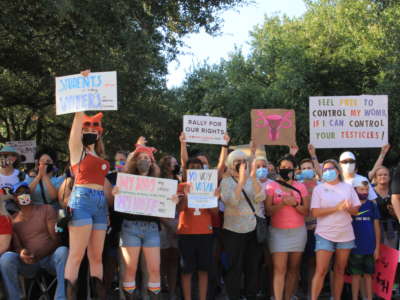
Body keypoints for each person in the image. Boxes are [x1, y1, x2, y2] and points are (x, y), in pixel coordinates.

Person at [114, 143, 178, 300]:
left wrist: (172, 201)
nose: (144, 160)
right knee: (130, 269)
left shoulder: (159, 182)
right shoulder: (126, 180)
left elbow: (165, 205)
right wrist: (116, 193)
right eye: (141, 158)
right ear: (135, 161)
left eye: (148, 158)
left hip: (152, 229)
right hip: (130, 227)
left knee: (154, 270)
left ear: (152, 162)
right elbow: (119, 204)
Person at [64, 110, 110, 299]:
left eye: (95, 127)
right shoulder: (77, 151)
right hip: (82, 200)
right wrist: (79, 109)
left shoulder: (99, 155)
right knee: (76, 255)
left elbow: (104, 183)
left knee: (97, 257)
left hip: (100, 203)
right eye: (87, 126)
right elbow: (76, 125)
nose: (91, 130)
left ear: (100, 133)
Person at [0, 182, 68, 300]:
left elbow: (56, 239)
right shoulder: (13, 220)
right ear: (15, 198)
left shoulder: (46, 209)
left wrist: (38, 255)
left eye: (26, 192)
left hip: (50, 259)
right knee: (6, 258)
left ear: (30, 194)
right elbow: (17, 247)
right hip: (29, 264)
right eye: (20, 193)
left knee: (63, 251)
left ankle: (61, 297)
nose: (24, 195)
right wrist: (22, 253)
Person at [310, 159, 361, 300]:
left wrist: (348, 208)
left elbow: (356, 211)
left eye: (330, 169)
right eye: (324, 170)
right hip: (324, 234)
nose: (327, 172)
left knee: (339, 270)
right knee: (321, 271)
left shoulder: (348, 188)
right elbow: (315, 213)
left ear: (337, 170)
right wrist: (336, 208)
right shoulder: (318, 189)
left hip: (345, 234)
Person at [220, 149, 265, 300]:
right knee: (234, 267)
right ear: (231, 164)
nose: (241, 164)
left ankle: (250, 295)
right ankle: (234, 295)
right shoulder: (226, 182)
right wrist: (240, 182)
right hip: (233, 230)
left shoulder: (253, 180)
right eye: (237, 162)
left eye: (243, 161)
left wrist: (251, 178)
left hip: (252, 230)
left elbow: (260, 197)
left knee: (252, 267)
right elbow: (232, 201)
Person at [265, 154, 309, 300]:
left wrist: (295, 204)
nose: (286, 169)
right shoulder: (271, 185)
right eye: (283, 167)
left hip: (298, 232)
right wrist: (282, 204)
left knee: (293, 269)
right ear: (278, 169)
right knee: (279, 269)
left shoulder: (301, 186)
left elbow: (306, 211)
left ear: (294, 169)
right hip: (278, 232)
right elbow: (268, 211)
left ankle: (288, 296)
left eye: (289, 167)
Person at [177, 157, 218, 300]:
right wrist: (186, 195)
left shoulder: (210, 185)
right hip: (186, 232)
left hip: (205, 232)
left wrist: (214, 198)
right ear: (187, 170)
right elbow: (179, 209)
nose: (195, 169)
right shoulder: (181, 185)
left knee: (203, 270)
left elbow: (214, 212)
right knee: (186, 270)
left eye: (198, 166)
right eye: (192, 166)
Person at [348, 178, 380, 300]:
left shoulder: (372, 205)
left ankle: (369, 298)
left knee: (368, 275)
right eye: (361, 189)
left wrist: (377, 247)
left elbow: (376, 226)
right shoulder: (351, 206)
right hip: (355, 247)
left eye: (367, 189)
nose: (365, 192)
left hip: (369, 247)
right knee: (355, 276)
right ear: (355, 190)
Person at [159, 155, 180, 299]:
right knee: (161, 260)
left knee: (174, 260)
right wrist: (168, 224)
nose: (176, 166)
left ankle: (172, 292)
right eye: (174, 164)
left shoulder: (179, 181)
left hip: (177, 223)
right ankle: (159, 289)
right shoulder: (158, 181)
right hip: (161, 224)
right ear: (166, 165)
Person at [373, 166, 398, 247]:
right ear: (375, 178)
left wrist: (394, 213)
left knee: (390, 258)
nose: (382, 176)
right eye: (380, 175)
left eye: (385, 174)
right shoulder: (370, 193)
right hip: (374, 229)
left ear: (389, 177)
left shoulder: (395, 192)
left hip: (393, 230)